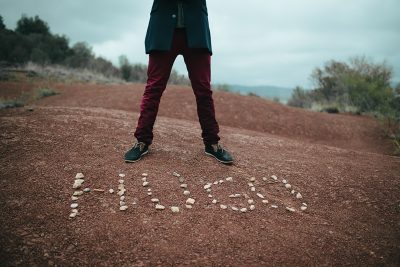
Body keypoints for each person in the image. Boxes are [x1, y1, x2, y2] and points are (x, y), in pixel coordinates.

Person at [124, 0, 233, 164]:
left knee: (203, 90)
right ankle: (142, 141)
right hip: (162, 29)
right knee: (153, 88)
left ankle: (212, 144)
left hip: (196, 30)